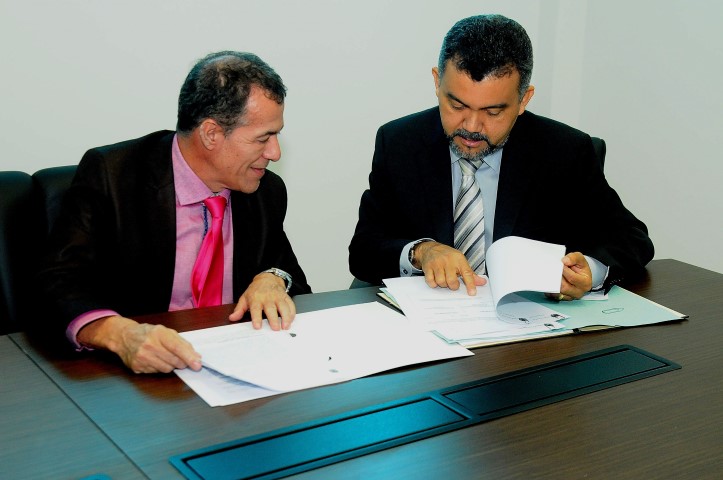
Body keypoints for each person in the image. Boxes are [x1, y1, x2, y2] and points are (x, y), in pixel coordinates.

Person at [39, 51, 311, 374]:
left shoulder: (266, 190)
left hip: (236, 369)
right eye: (263, 138)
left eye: (277, 135)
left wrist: (273, 278)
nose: (275, 153)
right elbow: (56, 284)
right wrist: (118, 333)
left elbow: (289, 274)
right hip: (137, 377)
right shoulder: (113, 176)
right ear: (211, 134)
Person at [349, 14, 653, 300]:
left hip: (529, 324)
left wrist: (590, 272)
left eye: (492, 112)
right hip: (428, 325)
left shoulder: (564, 151)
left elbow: (631, 238)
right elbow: (364, 250)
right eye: (457, 106)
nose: (471, 126)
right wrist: (421, 252)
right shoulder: (400, 143)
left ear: (523, 99)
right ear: (437, 82)